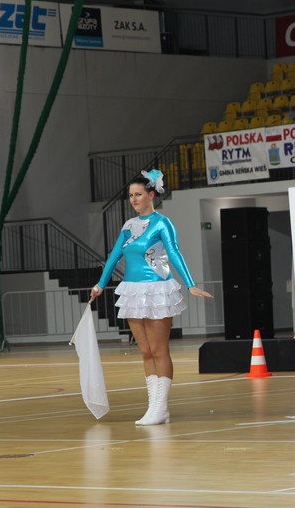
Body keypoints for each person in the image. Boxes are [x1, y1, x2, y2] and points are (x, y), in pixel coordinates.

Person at [90, 169, 213, 426]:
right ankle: (153, 406)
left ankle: (161, 406)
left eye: (138, 194)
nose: (134, 199)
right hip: (133, 291)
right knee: (146, 351)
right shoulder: (128, 226)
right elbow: (114, 256)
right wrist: (100, 284)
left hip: (157, 290)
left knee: (158, 350)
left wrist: (190, 284)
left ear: (151, 195)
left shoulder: (162, 223)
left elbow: (174, 252)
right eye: (130, 196)